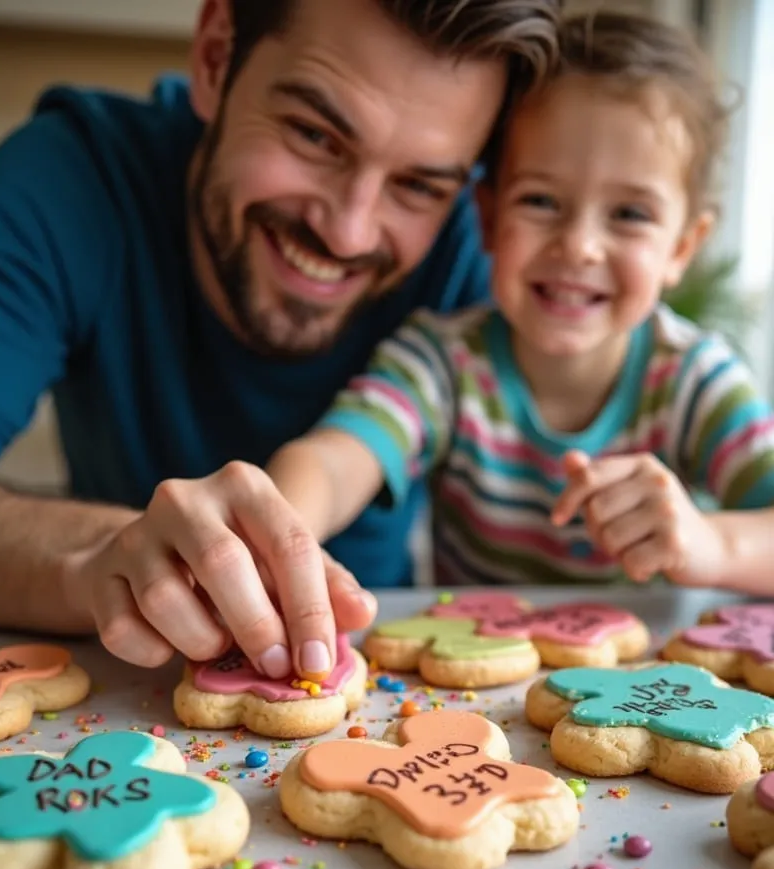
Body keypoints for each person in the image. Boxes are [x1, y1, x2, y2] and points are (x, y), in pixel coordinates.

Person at [0, 0, 560, 676]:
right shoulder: (65, 183)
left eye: (419, 186)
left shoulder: (484, 250)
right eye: (315, 136)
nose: (349, 232)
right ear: (217, 57)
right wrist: (97, 561)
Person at [267, 11, 774, 595]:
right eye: (540, 200)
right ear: (487, 217)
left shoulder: (695, 381)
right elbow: (335, 462)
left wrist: (710, 545)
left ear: (682, 247)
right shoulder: (442, 361)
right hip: (476, 683)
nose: (579, 246)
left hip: (658, 686)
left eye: (629, 214)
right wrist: (278, 533)